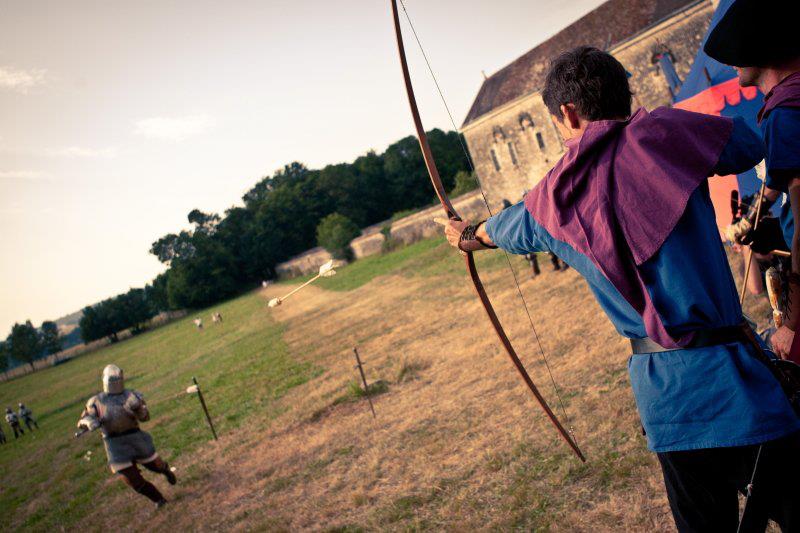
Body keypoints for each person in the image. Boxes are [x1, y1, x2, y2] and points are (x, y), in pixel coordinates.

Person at [438, 46, 800, 532]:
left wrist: (468, 234)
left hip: (671, 398)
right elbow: (751, 145)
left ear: (567, 113)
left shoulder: (551, 200)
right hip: (739, 382)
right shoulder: (670, 134)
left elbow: (501, 228)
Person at [704, 0, 800, 362]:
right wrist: (767, 230)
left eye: (737, 49)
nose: (731, 61)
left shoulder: (788, 114)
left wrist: (791, 325)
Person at [77, 364, 176, 508]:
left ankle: (165, 470)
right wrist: (89, 422)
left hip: (135, 437)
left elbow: (145, 417)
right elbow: (82, 420)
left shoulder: (131, 395)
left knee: (156, 466)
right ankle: (159, 500)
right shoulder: (96, 402)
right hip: (114, 444)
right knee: (132, 480)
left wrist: (138, 408)